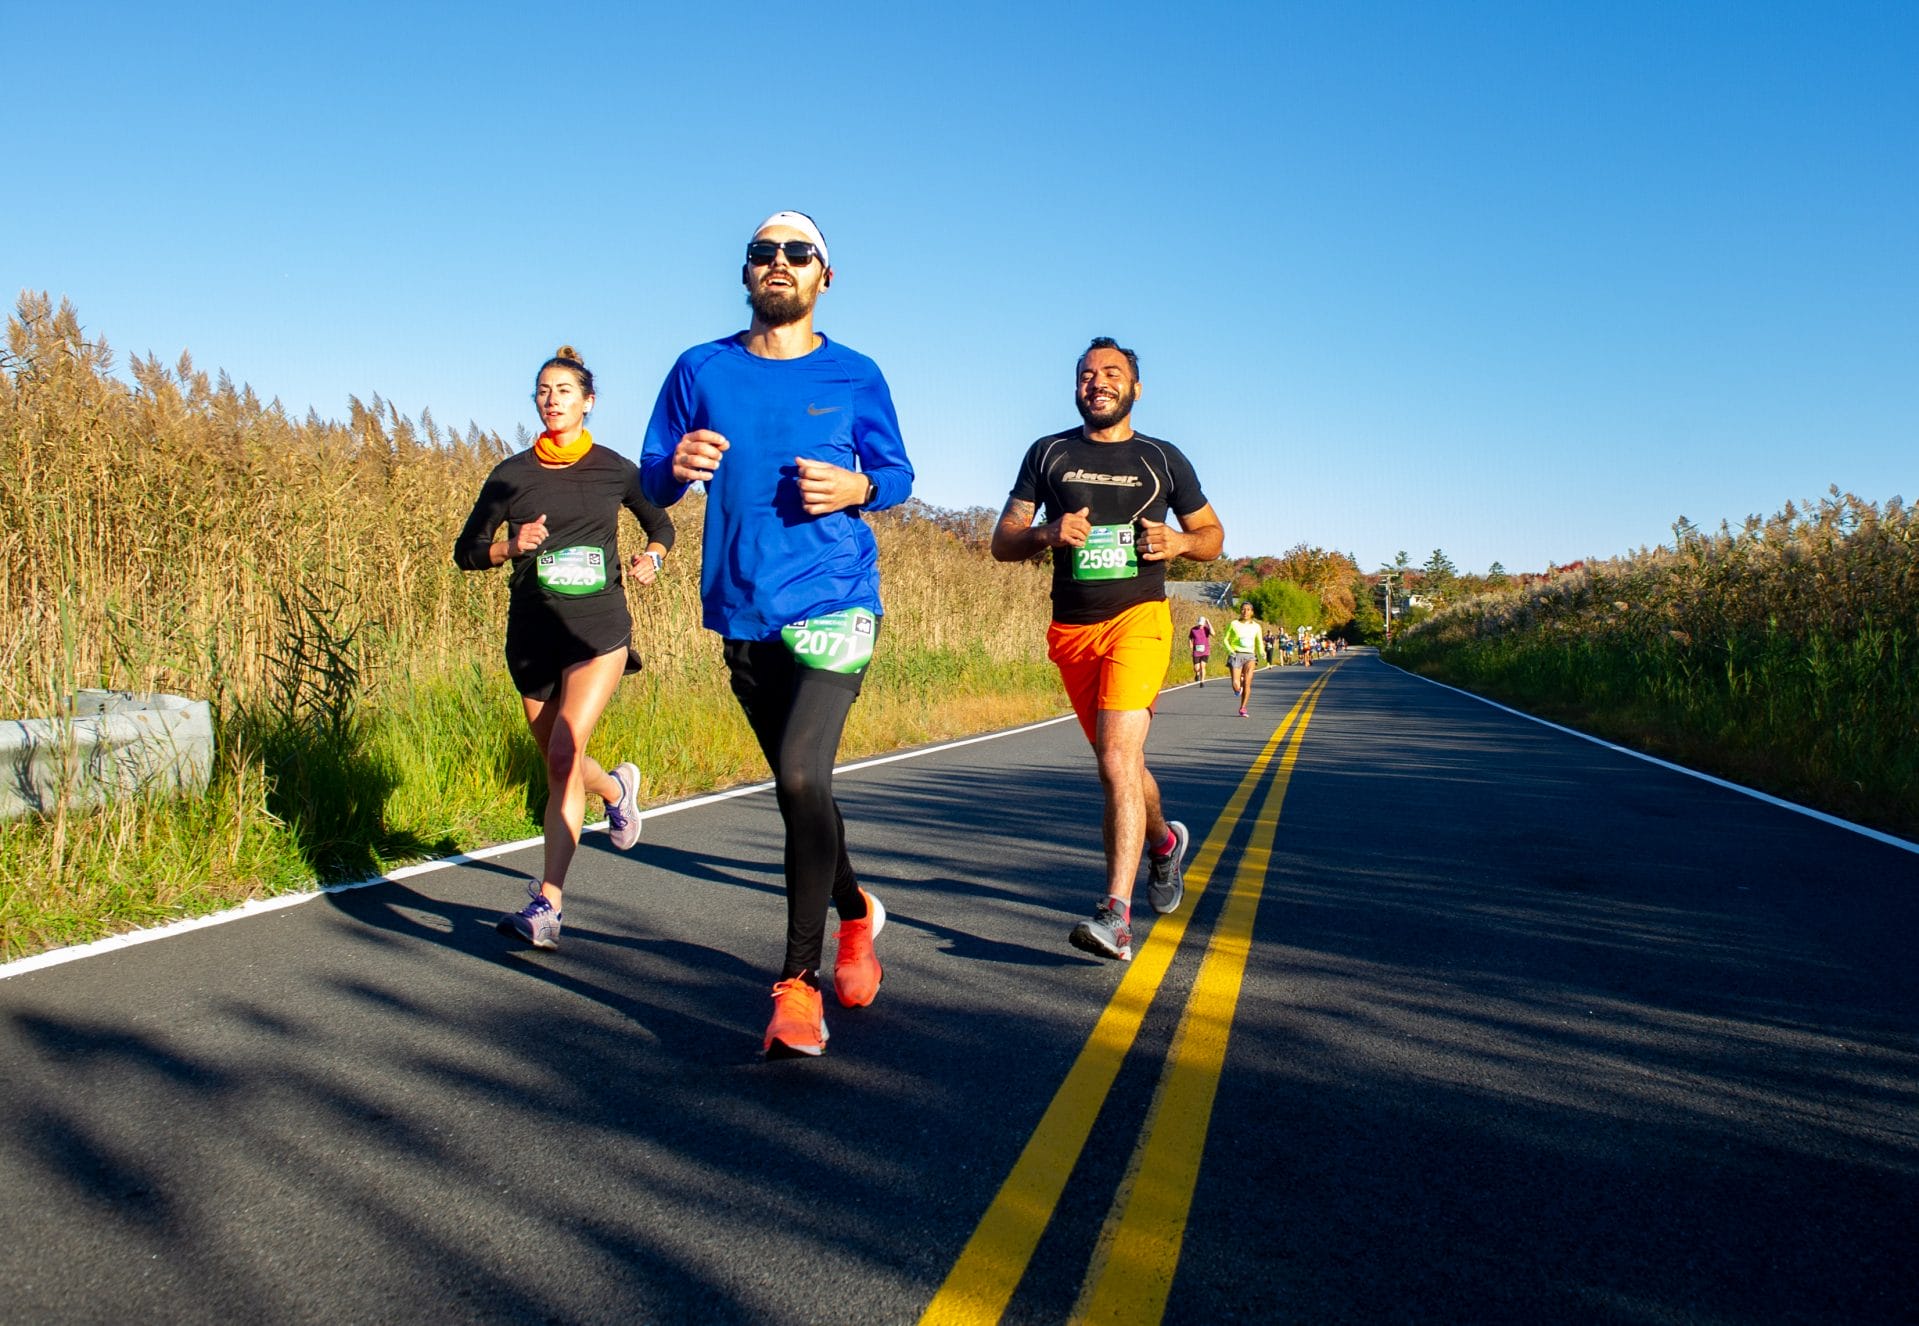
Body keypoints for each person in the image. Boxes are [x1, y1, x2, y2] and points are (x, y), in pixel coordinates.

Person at [640, 211, 913, 1059]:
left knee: (800, 774)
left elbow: (898, 474)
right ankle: (858, 912)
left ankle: (797, 987)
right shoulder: (701, 367)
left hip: (836, 598)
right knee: (805, 793)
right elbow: (652, 472)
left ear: (824, 276)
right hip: (741, 607)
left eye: (800, 252)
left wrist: (857, 484)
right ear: (747, 273)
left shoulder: (855, 373)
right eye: (764, 252)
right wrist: (674, 469)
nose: (780, 263)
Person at [991, 336, 1224, 962]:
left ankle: (1114, 918)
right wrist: (1047, 532)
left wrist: (1177, 544)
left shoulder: (1163, 459)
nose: (1098, 382)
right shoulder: (1048, 452)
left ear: (1135, 388)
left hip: (1139, 621)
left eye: (1112, 373)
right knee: (1120, 765)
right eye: (1087, 374)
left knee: (1116, 759)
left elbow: (1212, 536)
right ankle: (1164, 846)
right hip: (1072, 630)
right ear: (1077, 387)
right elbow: (1002, 540)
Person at [454, 345, 675, 950]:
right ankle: (616, 789)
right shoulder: (510, 474)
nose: (552, 400)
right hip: (531, 631)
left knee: (560, 756)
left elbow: (662, 524)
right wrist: (510, 546)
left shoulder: (614, 468)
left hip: (597, 628)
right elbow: (467, 551)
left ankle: (547, 903)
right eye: (543, 391)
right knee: (565, 764)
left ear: (588, 402)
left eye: (564, 391)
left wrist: (652, 558)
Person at [1224, 602, 1263, 718]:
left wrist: (1262, 652)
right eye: (1243, 609)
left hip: (1250, 656)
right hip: (1236, 654)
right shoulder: (1233, 624)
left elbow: (1259, 641)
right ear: (1240, 611)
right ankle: (1238, 689)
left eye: (1248, 610)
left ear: (1252, 612)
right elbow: (1225, 639)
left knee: (1247, 682)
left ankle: (1243, 707)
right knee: (1236, 684)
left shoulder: (1256, 626)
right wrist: (1230, 650)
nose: (1245, 612)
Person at [1188, 615, 1212, 685]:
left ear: (1204, 623)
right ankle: (1197, 673)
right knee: (1197, 668)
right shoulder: (1193, 629)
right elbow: (1190, 637)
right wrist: (1190, 644)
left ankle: (1202, 681)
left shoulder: (1206, 629)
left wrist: (1208, 622)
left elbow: (1213, 633)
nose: (1200, 626)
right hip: (1196, 651)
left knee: (1203, 666)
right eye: (1199, 624)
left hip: (1205, 651)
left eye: (1202, 624)